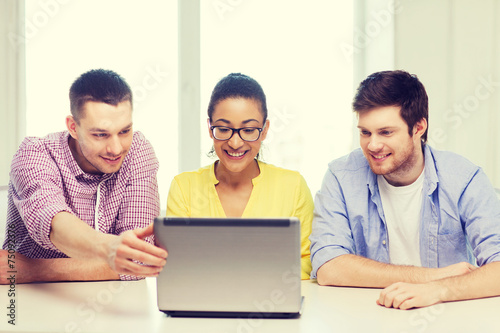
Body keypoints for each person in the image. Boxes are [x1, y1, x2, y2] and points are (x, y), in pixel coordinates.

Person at [310, 70, 500, 309]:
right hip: (367, 316)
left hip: (446, 317)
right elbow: (328, 266)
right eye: (365, 132)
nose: (373, 145)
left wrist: (439, 290)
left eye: (386, 132)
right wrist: (432, 276)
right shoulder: (340, 176)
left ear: (418, 127)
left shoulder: (465, 179)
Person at [1, 69, 167, 284]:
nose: (116, 149)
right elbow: (55, 224)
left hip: (109, 298)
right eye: (100, 134)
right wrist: (111, 250)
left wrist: (34, 271)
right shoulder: (34, 154)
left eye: (124, 131)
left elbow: (137, 261)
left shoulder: (138, 150)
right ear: (73, 127)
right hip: (26, 297)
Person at [166, 73, 314, 279]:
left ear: (264, 130)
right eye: (224, 129)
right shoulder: (184, 187)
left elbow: (305, 261)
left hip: (270, 303)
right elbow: (176, 264)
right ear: (210, 128)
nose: (235, 143)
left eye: (249, 129)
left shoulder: (293, 186)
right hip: (203, 305)